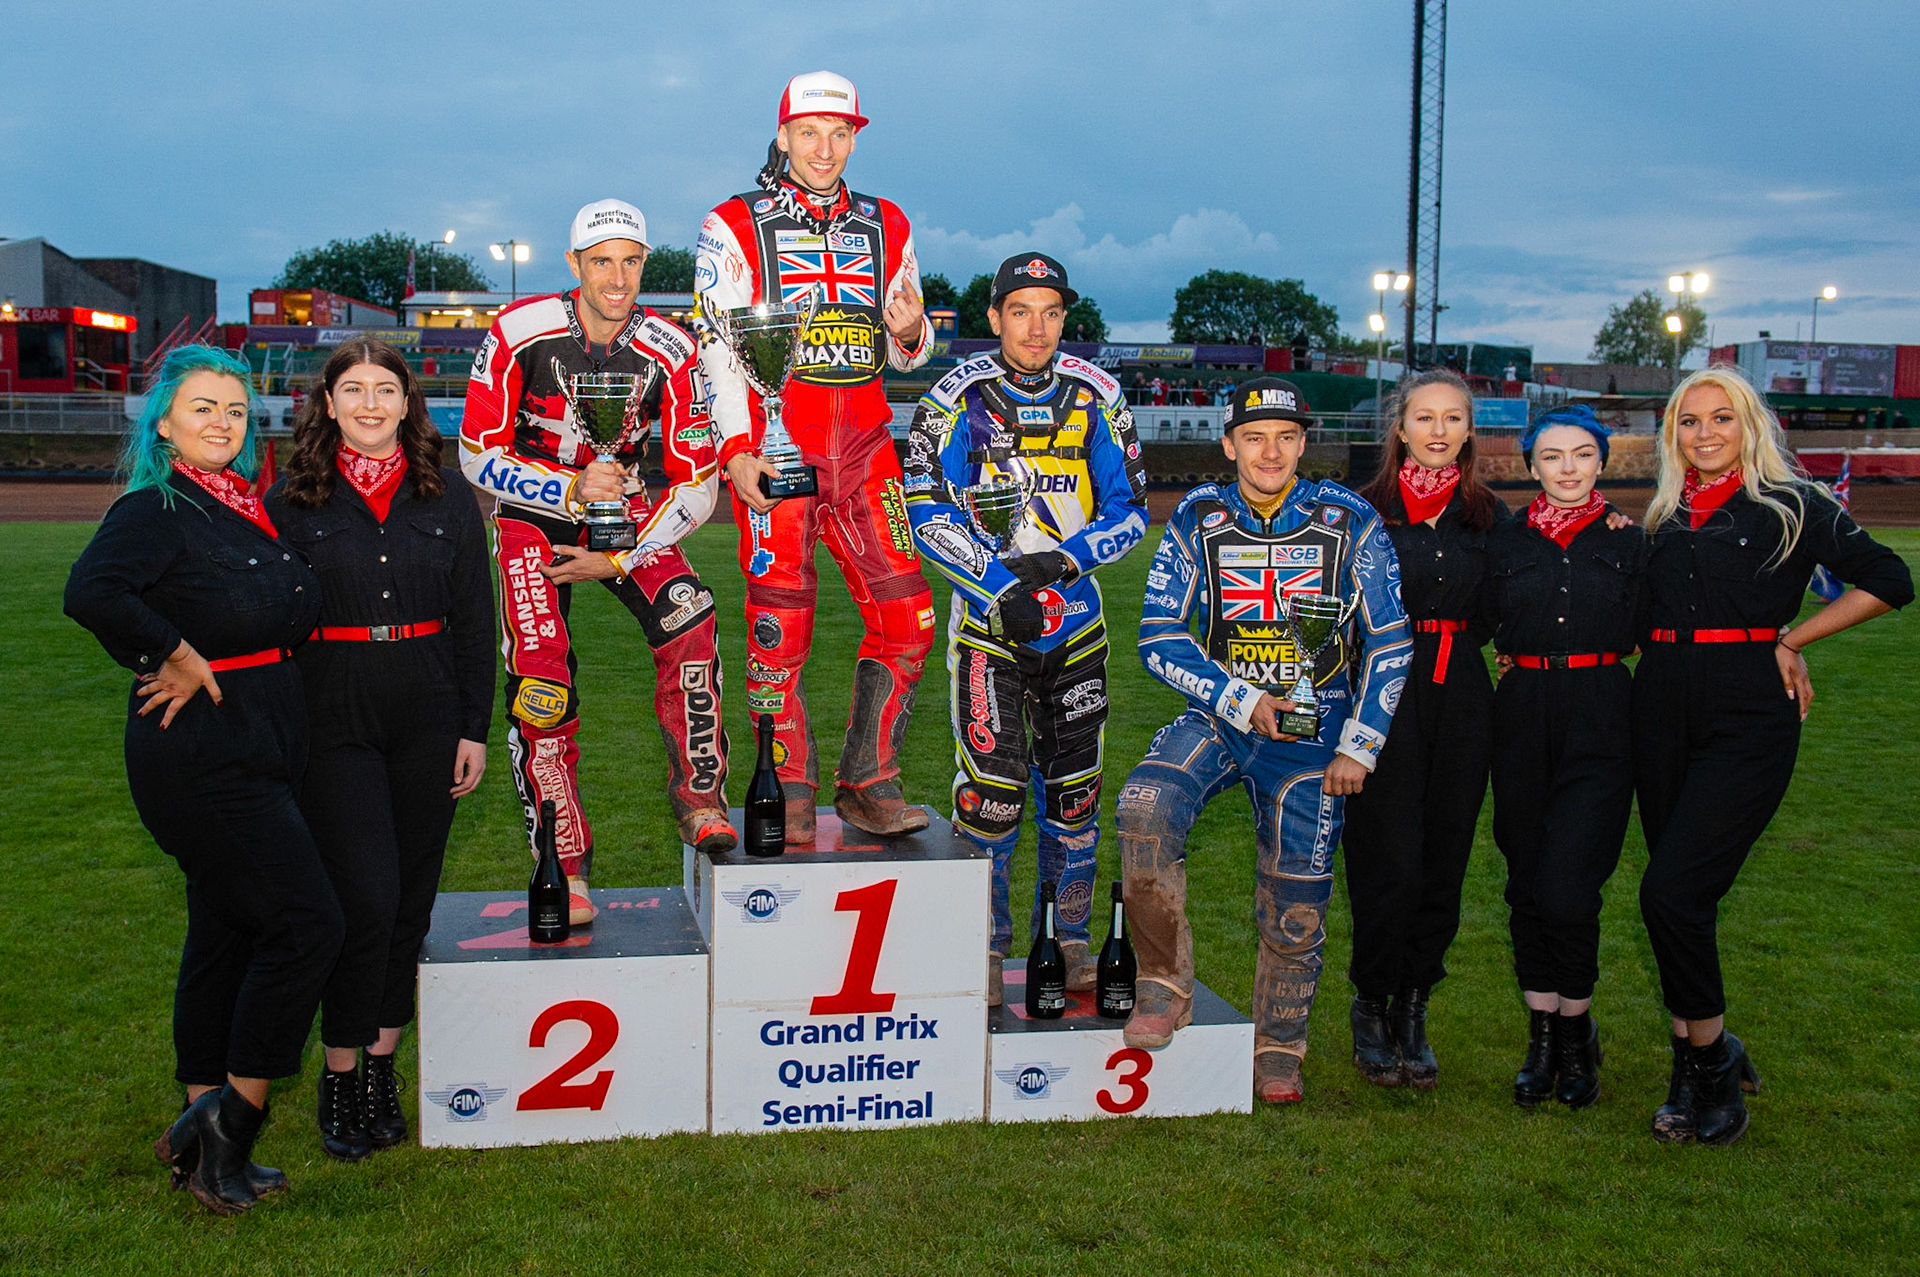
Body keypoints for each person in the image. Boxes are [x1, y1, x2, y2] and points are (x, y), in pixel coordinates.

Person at [65, 345, 339, 1215]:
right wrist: (173, 650)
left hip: (259, 739)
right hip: (201, 754)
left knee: (225, 931)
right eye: (201, 408)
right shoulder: (158, 504)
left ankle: (198, 1133)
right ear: (164, 424)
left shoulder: (243, 508)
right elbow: (92, 590)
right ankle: (228, 1125)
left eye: (233, 408)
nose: (221, 422)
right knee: (306, 923)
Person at [1633, 368, 1910, 1146]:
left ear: (1750, 424)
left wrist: (1793, 639)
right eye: (1689, 421)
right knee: (1681, 897)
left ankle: (1714, 1063)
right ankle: (1691, 1058)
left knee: (1670, 893)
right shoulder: (1663, 512)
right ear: (1673, 434)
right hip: (1658, 710)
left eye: (1722, 418)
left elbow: (1890, 580)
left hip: (1749, 716)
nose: (1706, 433)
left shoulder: (1795, 506)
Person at [1116, 376, 1410, 1104]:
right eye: (1253, 436)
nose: (1269, 451)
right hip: (1223, 711)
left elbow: (1391, 637)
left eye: (1285, 437)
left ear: (1304, 443)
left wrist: (1360, 745)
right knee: (1144, 804)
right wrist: (1241, 698)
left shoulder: (1350, 519)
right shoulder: (1196, 515)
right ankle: (1161, 982)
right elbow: (1158, 636)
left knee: (1297, 896)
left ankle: (1280, 1043)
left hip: (1315, 734)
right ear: (1228, 444)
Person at [463, 198, 733, 925]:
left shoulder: (672, 347)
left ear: (646, 263)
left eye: (632, 260)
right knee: (541, 675)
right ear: (574, 265)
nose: (618, 277)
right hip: (536, 513)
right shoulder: (519, 330)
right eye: (602, 261)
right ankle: (565, 862)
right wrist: (567, 486)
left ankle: (700, 797)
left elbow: (697, 483)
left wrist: (619, 561)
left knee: (691, 616)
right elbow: (475, 453)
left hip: (629, 518)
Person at [266, 338, 495, 1160]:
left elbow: (476, 620)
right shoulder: (292, 500)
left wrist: (475, 725)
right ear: (327, 403)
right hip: (334, 720)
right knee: (362, 897)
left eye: (385, 389)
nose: (369, 403)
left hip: (430, 716)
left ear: (407, 402)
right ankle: (337, 1069)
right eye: (353, 389)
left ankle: (380, 1069)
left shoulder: (448, 495)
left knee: (409, 903)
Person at [694, 70, 936, 840]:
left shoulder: (890, 222)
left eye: (840, 133)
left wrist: (910, 332)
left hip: (867, 446)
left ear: (856, 136)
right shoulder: (730, 223)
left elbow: (911, 350)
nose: (825, 149)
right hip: (779, 445)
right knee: (779, 623)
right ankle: (786, 782)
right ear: (782, 136)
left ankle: (868, 777)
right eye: (809, 133)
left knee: (909, 614)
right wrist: (736, 450)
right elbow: (717, 349)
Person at [904, 252, 1148, 1005]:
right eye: (1020, 310)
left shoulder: (1099, 395)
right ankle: (979, 948)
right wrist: (1003, 585)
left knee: (1074, 796)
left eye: (1050, 311)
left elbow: (1131, 510)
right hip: (989, 632)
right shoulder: (952, 399)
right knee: (992, 796)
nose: (1035, 327)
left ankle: (1069, 942)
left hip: (1076, 629)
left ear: (1065, 317)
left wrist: (1062, 564)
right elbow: (925, 509)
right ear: (994, 317)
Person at [1342, 368, 1506, 1089]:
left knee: (1443, 861)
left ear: (1469, 430)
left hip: (1463, 697)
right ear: (1400, 428)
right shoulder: (1360, 509)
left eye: (1453, 418)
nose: (1439, 430)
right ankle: (1372, 1001)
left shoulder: (1491, 517)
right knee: (1388, 862)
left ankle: (1415, 1004)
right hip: (1382, 697)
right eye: (1424, 417)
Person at [1484, 405, 1646, 1109]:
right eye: (1552, 457)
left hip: (1604, 713)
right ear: (1531, 466)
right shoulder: (1504, 540)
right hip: (1520, 714)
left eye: (1583, 454)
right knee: (1526, 882)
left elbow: (1686, 611)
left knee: (1570, 889)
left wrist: (1780, 638)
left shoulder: (1633, 541)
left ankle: (1576, 1031)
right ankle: (1541, 1034)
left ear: (1602, 461)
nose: (1569, 468)